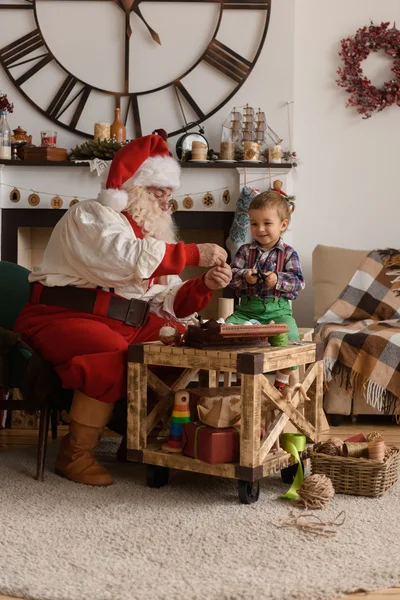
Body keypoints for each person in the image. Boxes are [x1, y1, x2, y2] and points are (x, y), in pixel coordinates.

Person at [14, 133, 232, 486]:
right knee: (111, 353)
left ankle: (138, 437)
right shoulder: (91, 215)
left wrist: (201, 285)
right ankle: (75, 454)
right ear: (134, 188)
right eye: (158, 192)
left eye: (168, 194)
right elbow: (121, 260)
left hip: (124, 320)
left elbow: (161, 299)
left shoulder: (151, 236)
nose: (165, 203)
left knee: (181, 344)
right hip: (62, 316)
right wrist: (191, 255)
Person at [226, 190, 304, 392]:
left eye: (267, 223)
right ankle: (242, 379)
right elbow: (231, 277)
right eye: (254, 223)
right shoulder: (244, 251)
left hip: (278, 312)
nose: (260, 229)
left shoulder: (288, 253)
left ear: (283, 225)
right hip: (246, 311)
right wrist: (245, 276)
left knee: (291, 338)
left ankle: (281, 380)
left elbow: (298, 282)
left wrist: (277, 279)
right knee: (227, 330)